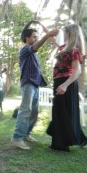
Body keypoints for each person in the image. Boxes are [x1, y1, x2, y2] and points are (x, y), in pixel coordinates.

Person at [11, 20, 58, 150]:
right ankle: (17, 137)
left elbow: (37, 47)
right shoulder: (25, 50)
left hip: (35, 85)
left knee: (34, 112)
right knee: (26, 110)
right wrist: (47, 35)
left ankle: (26, 133)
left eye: (37, 37)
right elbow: (36, 47)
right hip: (27, 84)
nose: (36, 39)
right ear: (27, 38)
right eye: (34, 37)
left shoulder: (33, 53)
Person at [46, 24, 87, 152]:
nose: (62, 34)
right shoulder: (64, 48)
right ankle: (79, 139)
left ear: (71, 34)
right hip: (59, 82)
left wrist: (65, 85)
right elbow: (52, 40)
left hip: (66, 84)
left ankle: (61, 145)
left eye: (65, 32)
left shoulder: (74, 51)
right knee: (60, 112)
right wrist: (46, 30)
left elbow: (77, 71)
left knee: (63, 113)